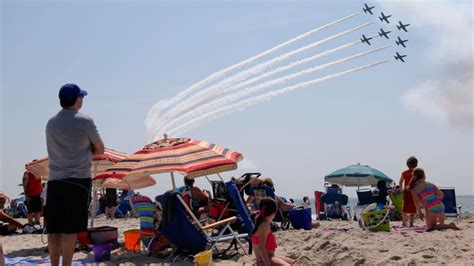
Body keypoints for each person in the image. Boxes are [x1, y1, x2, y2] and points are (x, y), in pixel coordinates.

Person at [45, 84, 104, 266]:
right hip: (77, 180)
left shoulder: (51, 122)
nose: (82, 100)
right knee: (70, 230)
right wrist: (86, 153)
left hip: (54, 180)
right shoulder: (84, 120)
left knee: (54, 230)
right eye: (82, 97)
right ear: (77, 99)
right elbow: (100, 148)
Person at [252, 198, 294, 266]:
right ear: (272, 213)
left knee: (293, 262)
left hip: (269, 256)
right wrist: (267, 264)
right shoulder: (264, 225)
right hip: (266, 259)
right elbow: (261, 247)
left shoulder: (259, 219)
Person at [399, 156, 417, 227]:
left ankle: (403, 222)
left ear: (407, 164)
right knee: (413, 208)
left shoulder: (404, 173)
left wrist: (401, 191)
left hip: (406, 191)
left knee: (405, 208)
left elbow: (400, 182)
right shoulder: (416, 173)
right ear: (416, 164)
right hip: (413, 192)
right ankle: (411, 223)